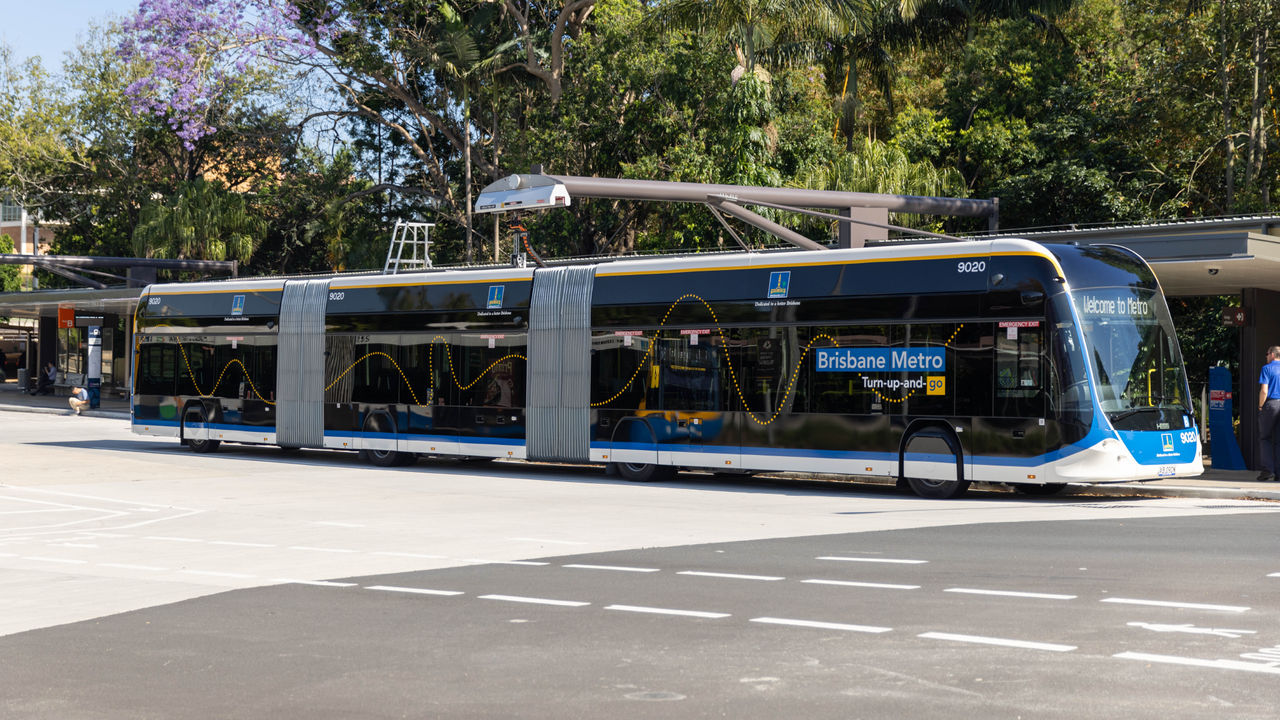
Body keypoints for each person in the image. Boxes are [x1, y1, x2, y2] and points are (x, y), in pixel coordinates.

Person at [1257, 345, 1280, 482]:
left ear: (1272, 354)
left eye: (1267, 354)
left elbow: (1264, 390)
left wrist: (1260, 406)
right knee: (1279, 441)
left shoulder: (1267, 368)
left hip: (1271, 404)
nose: (1266, 356)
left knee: (1265, 438)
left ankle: (1268, 470)